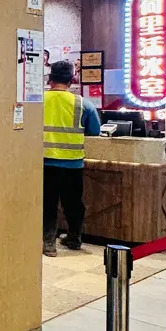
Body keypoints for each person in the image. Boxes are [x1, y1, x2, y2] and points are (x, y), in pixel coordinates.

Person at [43, 59, 100, 256]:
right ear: (72, 80)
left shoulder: (38, 101)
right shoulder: (83, 104)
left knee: (48, 203)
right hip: (73, 164)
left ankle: (49, 243)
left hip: (45, 162)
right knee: (73, 203)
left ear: (50, 79)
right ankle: (74, 239)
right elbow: (95, 130)